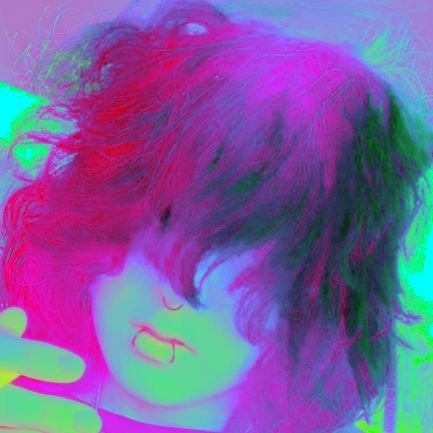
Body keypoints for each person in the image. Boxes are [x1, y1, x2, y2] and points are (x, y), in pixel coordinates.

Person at [0, 0, 432, 432]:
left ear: (310, 299)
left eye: (239, 264)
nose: (175, 297)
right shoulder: (15, 367)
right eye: (160, 234)